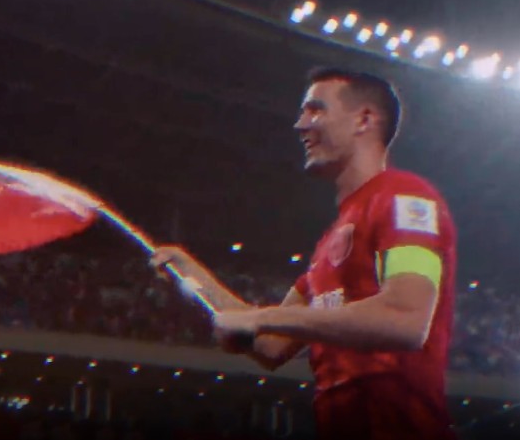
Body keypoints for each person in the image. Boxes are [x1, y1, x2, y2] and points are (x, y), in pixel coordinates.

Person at [151, 67, 456, 440]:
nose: (300, 125)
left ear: (364, 120)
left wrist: (261, 317)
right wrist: (193, 275)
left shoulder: (406, 197)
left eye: (316, 110)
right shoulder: (329, 243)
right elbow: (270, 345)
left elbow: (406, 319)